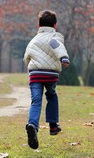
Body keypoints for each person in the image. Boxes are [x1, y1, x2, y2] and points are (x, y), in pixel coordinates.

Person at [23, 10, 70, 149]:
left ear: (39, 26)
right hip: (50, 74)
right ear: (55, 25)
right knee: (51, 96)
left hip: (35, 74)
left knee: (36, 101)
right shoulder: (54, 37)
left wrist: (30, 68)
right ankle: (53, 126)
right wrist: (64, 58)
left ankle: (32, 125)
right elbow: (57, 46)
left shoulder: (34, 40)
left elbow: (27, 57)